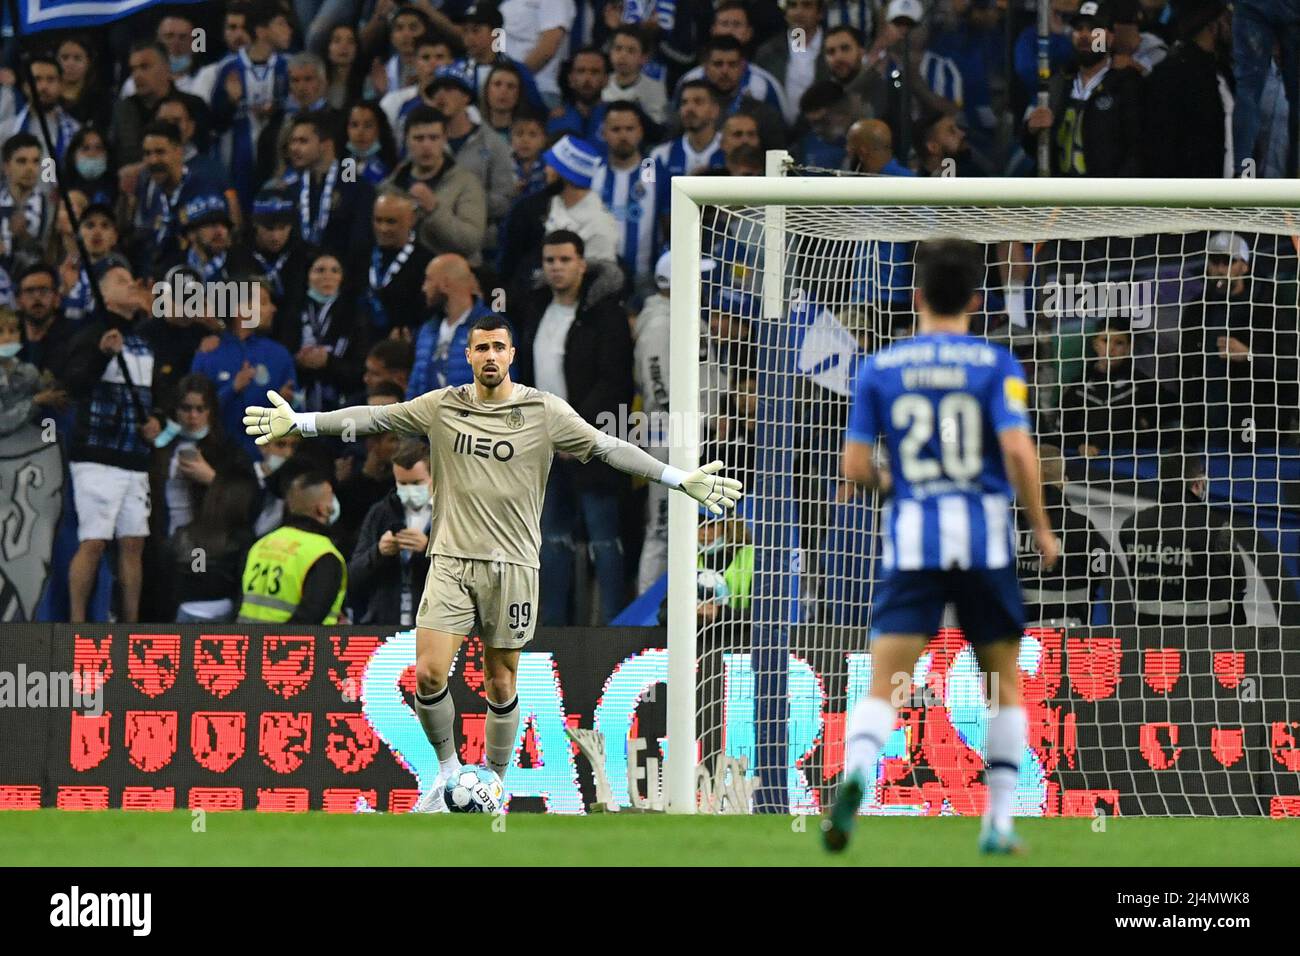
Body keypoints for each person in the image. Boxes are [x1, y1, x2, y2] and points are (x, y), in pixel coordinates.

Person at [242, 313, 742, 808]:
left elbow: (608, 447)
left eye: (498, 348)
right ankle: (447, 774)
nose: (489, 356)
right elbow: (373, 418)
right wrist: (300, 422)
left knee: (500, 680)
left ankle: (494, 782)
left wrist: (680, 479)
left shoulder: (545, 412)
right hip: (451, 562)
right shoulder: (442, 406)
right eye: (480, 348)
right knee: (429, 675)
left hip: (514, 569)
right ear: (468, 355)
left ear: (511, 354)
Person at [822, 238, 1059, 856]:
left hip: (912, 542)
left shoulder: (879, 367)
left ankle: (856, 776)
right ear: (976, 301)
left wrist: (892, 480)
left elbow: (852, 465)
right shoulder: (995, 364)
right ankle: (998, 823)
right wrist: (1040, 526)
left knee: (886, 684)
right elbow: (1016, 451)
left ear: (918, 296)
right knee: (1004, 682)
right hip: (983, 541)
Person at [512, 230, 631, 625]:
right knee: (551, 540)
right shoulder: (536, 307)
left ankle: (615, 628)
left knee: (604, 538)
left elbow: (614, 381)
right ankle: (552, 628)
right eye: (550, 261)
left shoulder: (606, 312)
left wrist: (574, 430)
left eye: (565, 260)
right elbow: (526, 374)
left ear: (582, 263)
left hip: (594, 443)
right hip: (543, 444)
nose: (557, 268)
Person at [62, 264, 166, 623]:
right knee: (94, 541)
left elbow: (159, 397)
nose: (133, 284)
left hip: (134, 456)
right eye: (122, 280)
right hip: (97, 455)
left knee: (134, 542)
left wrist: (158, 422)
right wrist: (100, 354)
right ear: (104, 294)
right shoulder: (91, 334)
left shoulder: (145, 342)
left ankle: (130, 625)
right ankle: (78, 624)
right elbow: (74, 386)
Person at [1117, 453, 1245, 625]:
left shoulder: (1131, 526)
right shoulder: (1216, 527)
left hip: (1150, 637)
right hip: (1209, 637)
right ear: (1198, 482)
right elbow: (1239, 579)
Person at [1023, 0, 1144, 177]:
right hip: (1060, 196)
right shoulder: (1058, 83)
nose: (1085, 36)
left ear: (1109, 38)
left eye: (1094, 30)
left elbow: (1138, 152)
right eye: (1079, 29)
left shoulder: (1127, 85)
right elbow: (1037, 152)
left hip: (1106, 198)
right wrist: (1031, 131)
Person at [190, 279, 297, 457]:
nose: (272, 309)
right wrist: (232, 388)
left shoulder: (279, 355)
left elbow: (298, 414)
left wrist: (288, 405)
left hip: (267, 462)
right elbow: (193, 411)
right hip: (215, 461)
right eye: (263, 302)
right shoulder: (209, 353)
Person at [237, 471, 348, 624]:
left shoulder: (260, 545)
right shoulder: (323, 555)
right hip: (293, 646)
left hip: (248, 643)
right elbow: (309, 619)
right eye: (330, 498)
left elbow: (240, 603)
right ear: (322, 509)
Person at [382, 106, 487, 264]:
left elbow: (470, 242)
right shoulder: (391, 187)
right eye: (419, 138)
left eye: (433, 138)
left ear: (445, 139)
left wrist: (434, 210)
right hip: (402, 273)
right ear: (406, 140)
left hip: (452, 276)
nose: (426, 146)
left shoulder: (466, 183)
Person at [1014, 445, 1108, 623]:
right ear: (1064, 481)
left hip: (1012, 636)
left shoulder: (1006, 522)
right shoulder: (1083, 527)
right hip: (1068, 636)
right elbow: (1099, 571)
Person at [1141, 0, 1234, 177]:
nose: (1231, 23)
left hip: (1231, 195)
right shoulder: (1171, 75)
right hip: (1191, 197)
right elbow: (1161, 148)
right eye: (1226, 16)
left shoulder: (1224, 72)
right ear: (1212, 26)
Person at [348, 438, 434, 625]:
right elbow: (353, 577)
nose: (409, 490)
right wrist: (379, 552)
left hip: (435, 629)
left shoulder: (453, 515)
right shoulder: (381, 513)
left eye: (416, 483)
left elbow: (469, 578)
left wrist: (428, 550)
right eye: (402, 484)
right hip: (384, 629)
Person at [1059, 315, 1169, 455]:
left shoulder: (1140, 383)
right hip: (1089, 463)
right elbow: (1064, 427)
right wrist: (1079, 445)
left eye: (1119, 343)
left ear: (1128, 348)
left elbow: (1171, 407)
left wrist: (1147, 421)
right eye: (1105, 341)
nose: (1111, 349)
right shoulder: (1078, 386)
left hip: (1129, 461)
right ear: (1095, 344)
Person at [408, 253, 507, 395]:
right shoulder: (427, 330)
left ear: (446, 284)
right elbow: (415, 386)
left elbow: (501, 390)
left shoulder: (491, 329)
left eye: (429, 279)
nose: (424, 287)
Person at [280, 251, 367, 413]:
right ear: (307, 276)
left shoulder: (355, 315)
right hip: (297, 400)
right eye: (320, 270)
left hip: (342, 402)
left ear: (342, 278)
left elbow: (360, 369)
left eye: (335, 270)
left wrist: (329, 362)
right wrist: (297, 361)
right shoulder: (292, 313)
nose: (328, 276)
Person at [169, 474, 260, 623]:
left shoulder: (184, 534)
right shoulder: (243, 539)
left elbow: (172, 579)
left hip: (184, 612)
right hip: (222, 614)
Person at [364, 187, 435, 335]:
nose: (383, 228)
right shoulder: (361, 256)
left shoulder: (427, 264)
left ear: (412, 220)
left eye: (391, 222)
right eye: (378, 220)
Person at [602, 25, 669, 126]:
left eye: (631, 50)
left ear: (644, 57)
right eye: (618, 48)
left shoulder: (655, 89)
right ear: (610, 52)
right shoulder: (601, 83)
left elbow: (658, 126)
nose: (623, 55)